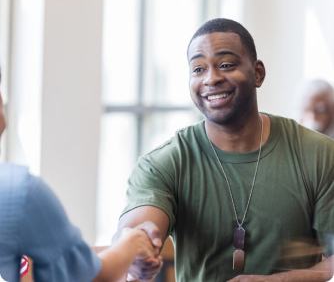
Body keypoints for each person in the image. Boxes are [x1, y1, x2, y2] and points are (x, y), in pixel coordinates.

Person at [113, 18, 334, 282]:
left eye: (226, 65)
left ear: (258, 73)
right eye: (198, 69)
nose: (211, 79)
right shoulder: (164, 163)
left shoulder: (318, 154)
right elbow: (134, 231)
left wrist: (275, 281)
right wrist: (136, 247)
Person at [0, 71, 162, 281]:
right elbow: (91, 276)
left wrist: (124, 250)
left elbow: (64, 259)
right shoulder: (20, 194)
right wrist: (133, 243)